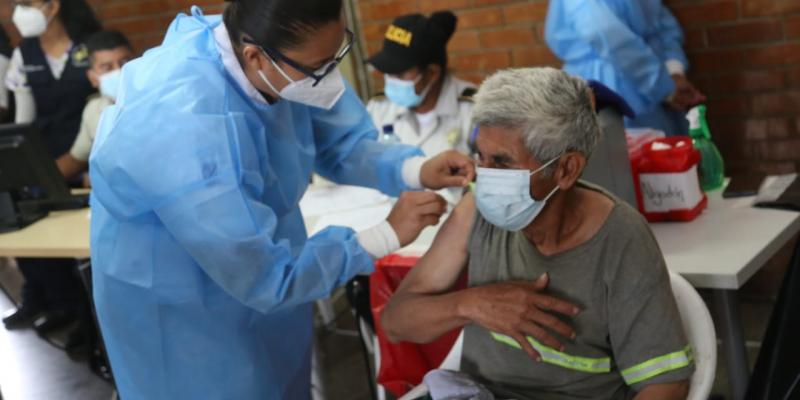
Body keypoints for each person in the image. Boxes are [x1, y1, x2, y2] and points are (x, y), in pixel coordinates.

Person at [88, 0, 475, 398]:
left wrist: (414, 169)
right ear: (255, 56)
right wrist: (384, 236)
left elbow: (338, 142)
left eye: (337, 55)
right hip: (181, 301)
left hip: (266, 262)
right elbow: (267, 277)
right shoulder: (184, 126)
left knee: (278, 377)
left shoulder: (277, 50)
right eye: (319, 66)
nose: (328, 77)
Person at [382, 68, 694, 400]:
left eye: (502, 162)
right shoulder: (476, 211)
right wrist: (472, 305)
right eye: (480, 156)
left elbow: (666, 386)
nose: (483, 176)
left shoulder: (620, 237)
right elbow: (395, 320)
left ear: (566, 169)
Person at [2, 0, 100, 340]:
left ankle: (93, 320)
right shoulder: (24, 54)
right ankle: (61, 306)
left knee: (91, 249)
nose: (16, 12)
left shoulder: (89, 44)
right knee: (38, 237)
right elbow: (23, 123)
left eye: (24, 3)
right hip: (47, 162)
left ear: (52, 6)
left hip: (91, 157)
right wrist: (22, 168)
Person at [545, 0, 706, 136]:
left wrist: (670, 80)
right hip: (619, 84)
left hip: (622, 81)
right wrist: (671, 76)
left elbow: (609, 36)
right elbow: (608, 34)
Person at [366, 11, 476, 157]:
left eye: (400, 74)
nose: (391, 80)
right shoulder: (379, 109)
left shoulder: (474, 110)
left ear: (432, 73)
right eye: (387, 72)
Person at [56, 30, 133, 181]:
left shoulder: (158, 101)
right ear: (93, 78)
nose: (119, 71)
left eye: (124, 63)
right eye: (107, 67)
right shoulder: (93, 110)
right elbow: (76, 158)